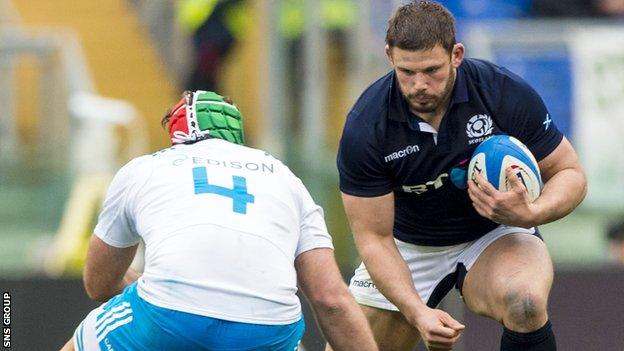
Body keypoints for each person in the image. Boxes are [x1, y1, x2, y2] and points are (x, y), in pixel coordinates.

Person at [332, 1, 587, 351]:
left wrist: (533, 213)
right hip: (407, 246)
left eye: (432, 70)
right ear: (389, 56)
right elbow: (374, 239)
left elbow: (570, 172)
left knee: (525, 302)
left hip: (494, 233)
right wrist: (417, 312)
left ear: (456, 54)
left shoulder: (502, 92)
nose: (419, 84)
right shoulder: (366, 125)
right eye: (407, 72)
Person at [61, 90, 378, 351]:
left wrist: (155, 289)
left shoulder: (145, 168)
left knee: (82, 341)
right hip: (268, 330)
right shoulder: (286, 177)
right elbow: (330, 299)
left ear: (176, 134)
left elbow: (98, 282)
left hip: (169, 317)